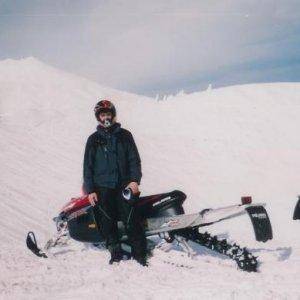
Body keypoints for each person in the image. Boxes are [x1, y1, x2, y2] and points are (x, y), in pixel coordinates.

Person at [83, 99, 147, 266]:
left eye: (108, 114)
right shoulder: (93, 140)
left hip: (124, 184)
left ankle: (140, 254)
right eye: (102, 114)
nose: (106, 117)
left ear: (113, 115)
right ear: (98, 117)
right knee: (107, 220)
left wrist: (134, 181)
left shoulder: (125, 135)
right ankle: (116, 252)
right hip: (102, 187)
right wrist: (90, 190)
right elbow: (87, 167)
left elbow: (134, 160)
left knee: (131, 218)